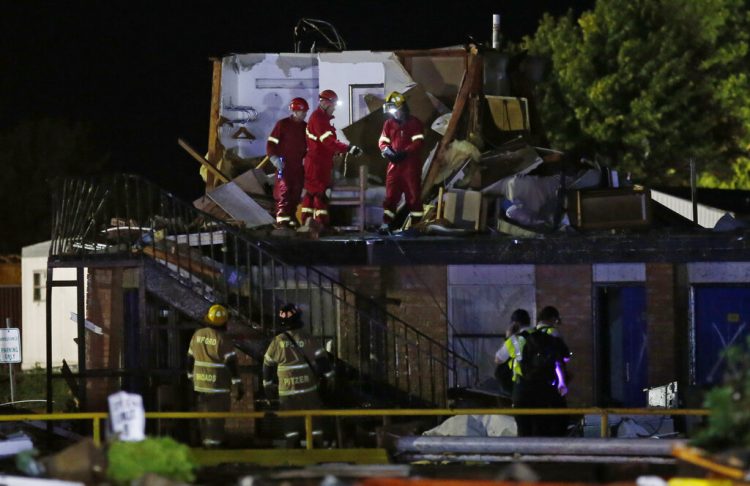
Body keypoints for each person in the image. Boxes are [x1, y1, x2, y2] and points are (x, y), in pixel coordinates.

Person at [262, 303, 335, 447]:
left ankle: (294, 455)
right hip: (309, 392)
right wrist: (330, 379)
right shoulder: (308, 338)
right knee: (314, 427)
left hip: (287, 395)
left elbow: (267, 366)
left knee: (291, 429)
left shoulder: (278, 341)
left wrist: (267, 386)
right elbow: (322, 362)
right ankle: (316, 454)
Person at [495, 306, 571, 437]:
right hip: (542, 389)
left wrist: (508, 337)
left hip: (521, 389)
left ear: (515, 324)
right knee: (540, 427)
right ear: (529, 321)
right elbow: (557, 360)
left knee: (523, 429)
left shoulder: (514, 340)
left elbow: (498, 360)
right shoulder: (544, 336)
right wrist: (562, 382)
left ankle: (525, 455)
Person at [301, 89, 362, 229]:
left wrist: (336, 152)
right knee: (319, 193)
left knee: (311, 193)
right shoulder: (318, 119)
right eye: (333, 105)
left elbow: (327, 143)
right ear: (327, 104)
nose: (334, 108)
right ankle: (320, 224)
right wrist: (349, 148)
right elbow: (328, 141)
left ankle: (307, 223)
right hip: (317, 163)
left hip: (319, 161)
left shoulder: (321, 119)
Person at [187, 304, 244, 448]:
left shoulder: (197, 335)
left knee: (205, 420)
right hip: (218, 387)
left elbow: (189, 358)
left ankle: (207, 447)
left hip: (200, 386)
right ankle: (214, 453)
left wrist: (190, 377)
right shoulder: (222, 339)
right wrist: (238, 384)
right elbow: (231, 363)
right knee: (216, 422)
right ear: (224, 322)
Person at [378, 91, 425, 232]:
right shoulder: (388, 124)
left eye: (395, 109)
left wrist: (405, 152)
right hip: (394, 166)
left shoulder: (414, 123)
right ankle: (387, 224)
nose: (393, 114)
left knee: (413, 196)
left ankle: (416, 226)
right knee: (391, 196)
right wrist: (388, 153)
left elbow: (419, 142)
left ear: (402, 107)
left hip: (410, 165)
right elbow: (382, 142)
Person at [267, 97, 309, 228]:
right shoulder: (282, 124)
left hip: (298, 166)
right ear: (294, 111)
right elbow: (271, 143)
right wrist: (274, 158)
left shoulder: (305, 127)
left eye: (305, 112)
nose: (304, 114)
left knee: (296, 193)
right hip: (282, 164)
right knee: (283, 191)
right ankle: (282, 221)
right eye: (302, 112)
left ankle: (291, 219)